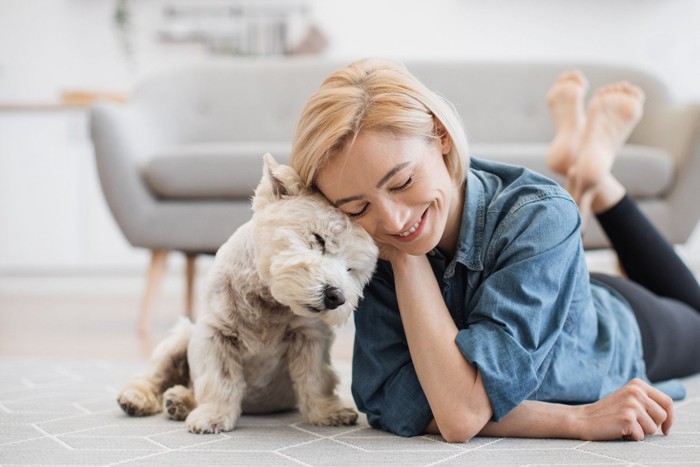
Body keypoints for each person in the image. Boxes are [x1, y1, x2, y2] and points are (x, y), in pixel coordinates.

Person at [289, 59, 700, 443]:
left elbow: (459, 414)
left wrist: (405, 253)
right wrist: (575, 419)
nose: (393, 221)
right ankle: (587, 167)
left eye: (402, 183)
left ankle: (597, 178)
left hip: (614, 324)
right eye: (358, 207)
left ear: (441, 135)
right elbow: (393, 400)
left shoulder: (537, 214)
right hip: (539, 276)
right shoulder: (366, 241)